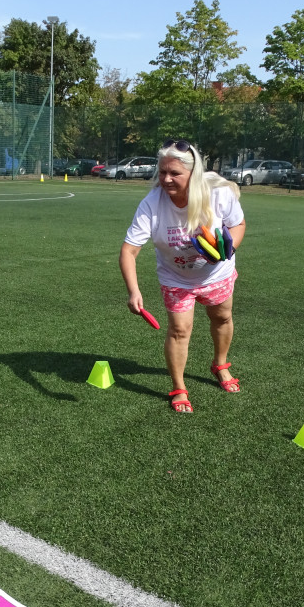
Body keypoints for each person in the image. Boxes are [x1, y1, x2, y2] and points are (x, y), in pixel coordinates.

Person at [119, 139, 246, 413]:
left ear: (193, 173)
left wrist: (228, 249)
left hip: (217, 274)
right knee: (179, 330)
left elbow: (238, 224)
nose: (166, 179)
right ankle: (179, 387)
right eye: (162, 171)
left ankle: (220, 365)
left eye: (174, 173)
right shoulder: (152, 204)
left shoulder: (218, 195)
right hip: (176, 278)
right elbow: (128, 251)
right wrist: (134, 290)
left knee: (222, 317)